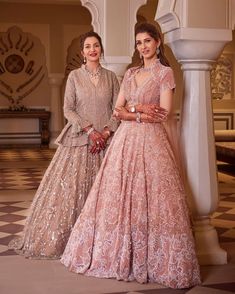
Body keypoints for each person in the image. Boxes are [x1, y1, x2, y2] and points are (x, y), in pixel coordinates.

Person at [61, 23, 201, 289]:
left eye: (147, 41)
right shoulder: (130, 73)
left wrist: (131, 111)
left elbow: (164, 113)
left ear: (158, 42)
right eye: (139, 42)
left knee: (154, 198)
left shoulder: (165, 74)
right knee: (119, 194)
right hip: (125, 142)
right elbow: (117, 110)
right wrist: (139, 110)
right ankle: (118, 254)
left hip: (152, 143)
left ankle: (155, 261)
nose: (143, 46)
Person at [9, 31, 120, 259]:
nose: (92, 50)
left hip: (106, 143)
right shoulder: (74, 77)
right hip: (79, 140)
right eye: (88, 46)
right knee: (73, 194)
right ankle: (70, 241)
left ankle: (102, 243)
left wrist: (106, 132)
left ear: (101, 49)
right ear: (82, 52)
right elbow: (68, 109)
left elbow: (117, 109)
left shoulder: (111, 77)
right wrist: (90, 130)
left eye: (96, 45)